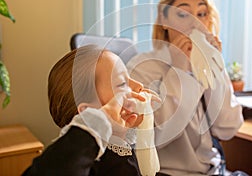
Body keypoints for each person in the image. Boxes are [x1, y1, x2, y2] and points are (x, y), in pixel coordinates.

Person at [127, 0, 245, 176]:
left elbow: (228, 128)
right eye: (183, 14)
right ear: (163, 20)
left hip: (213, 169)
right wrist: (179, 72)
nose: (195, 23)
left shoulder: (206, 63)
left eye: (202, 14)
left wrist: (216, 69)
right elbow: (159, 136)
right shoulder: (142, 68)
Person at [22, 44, 160, 176]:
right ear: (89, 113)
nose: (139, 86)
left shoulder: (120, 147)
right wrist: (99, 121)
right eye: (122, 83)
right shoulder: (88, 164)